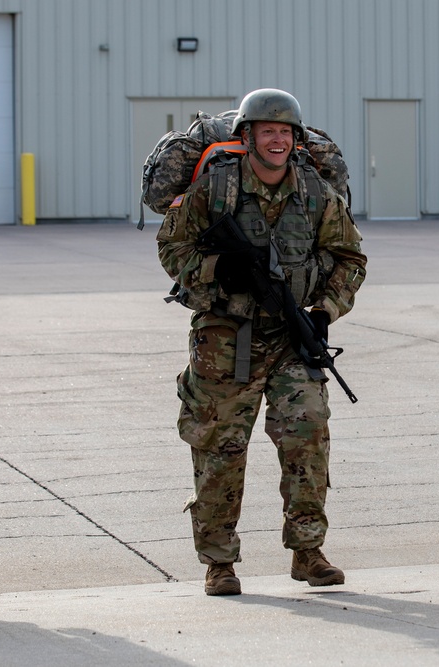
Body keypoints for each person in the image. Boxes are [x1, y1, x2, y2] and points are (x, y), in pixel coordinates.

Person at [156, 89, 367, 596]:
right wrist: (217, 269)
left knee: (307, 436)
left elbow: (350, 260)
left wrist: (325, 311)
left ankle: (308, 551)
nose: (277, 139)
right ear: (247, 136)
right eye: (267, 131)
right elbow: (171, 247)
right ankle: (219, 562)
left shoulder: (317, 193)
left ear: (296, 140)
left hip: (293, 338)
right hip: (224, 339)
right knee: (219, 450)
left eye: (286, 132)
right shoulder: (216, 189)